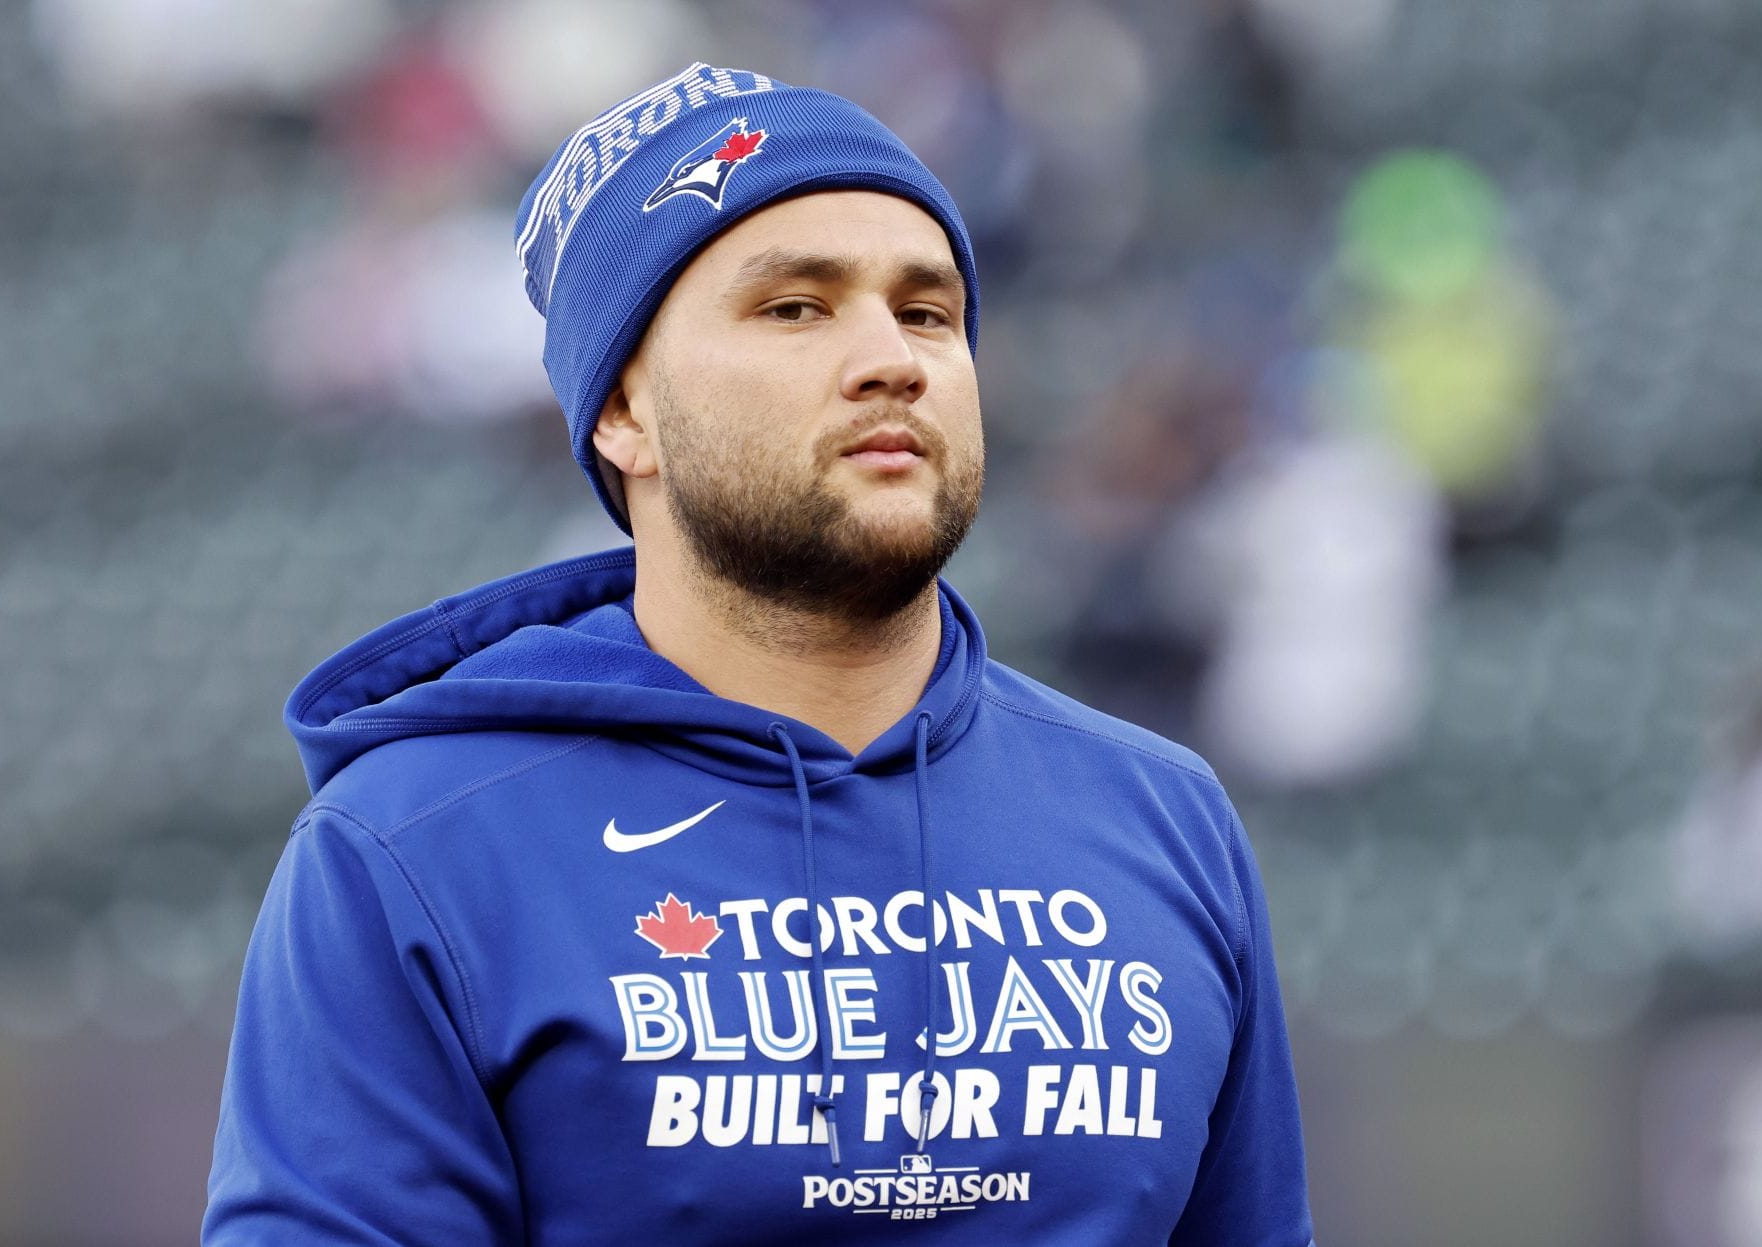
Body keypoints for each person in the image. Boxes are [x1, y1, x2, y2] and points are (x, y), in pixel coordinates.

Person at [204, 61, 1315, 1245]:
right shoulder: (415, 846)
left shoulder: (1162, 815)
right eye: (796, 306)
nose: (894, 355)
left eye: (928, 310)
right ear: (624, 409)